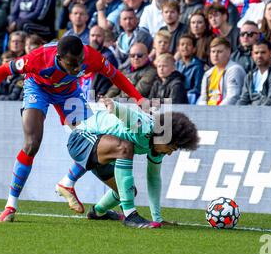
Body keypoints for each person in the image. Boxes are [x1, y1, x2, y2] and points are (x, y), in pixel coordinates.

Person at [0, 36, 145, 222]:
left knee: (92, 142)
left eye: (80, 62)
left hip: (68, 92)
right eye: (72, 64)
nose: (77, 68)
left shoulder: (91, 56)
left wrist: (139, 98)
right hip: (38, 89)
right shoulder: (37, 59)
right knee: (32, 143)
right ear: (59, 57)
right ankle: (10, 206)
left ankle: (79, 190)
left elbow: (116, 75)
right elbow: (2, 71)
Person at [62, 97, 200, 228]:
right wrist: (113, 105)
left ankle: (97, 212)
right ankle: (130, 215)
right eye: (171, 148)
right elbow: (128, 114)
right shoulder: (145, 127)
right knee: (125, 148)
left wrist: (157, 218)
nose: (169, 153)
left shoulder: (158, 149)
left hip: (103, 151)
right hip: (80, 139)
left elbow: (153, 179)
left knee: (128, 191)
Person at [237, 38, 271, 105]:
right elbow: (243, 100)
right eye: (256, 53)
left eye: (263, 52)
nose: (259, 56)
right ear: (252, 55)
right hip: (251, 113)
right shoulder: (250, 75)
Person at [197, 37, 246, 105]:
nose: (215, 55)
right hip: (208, 112)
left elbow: (233, 97)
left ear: (228, 52)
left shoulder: (235, 70)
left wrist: (217, 112)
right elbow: (203, 98)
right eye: (213, 51)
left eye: (219, 51)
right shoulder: (208, 74)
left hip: (225, 112)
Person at [175, 34, 204, 104]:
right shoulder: (176, 65)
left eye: (188, 45)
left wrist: (182, 94)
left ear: (194, 49)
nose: (185, 47)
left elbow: (197, 88)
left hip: (190, 97)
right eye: (182, 44)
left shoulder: (198, 66)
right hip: (175, 95)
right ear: (178, 48)